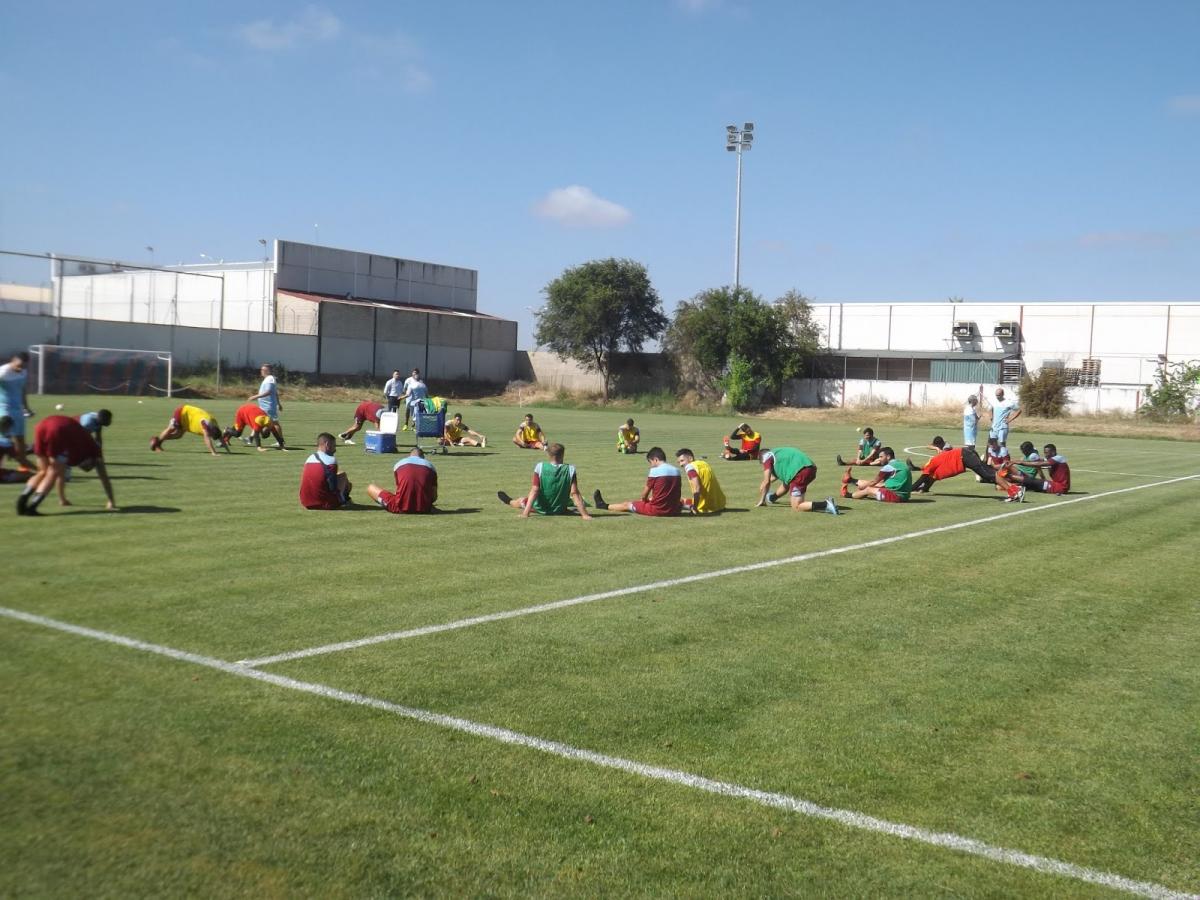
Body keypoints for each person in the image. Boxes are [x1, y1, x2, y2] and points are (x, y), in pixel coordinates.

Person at [17, 414, 116, 515]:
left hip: (43, 424)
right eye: (88, 466)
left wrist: (62, 499)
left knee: (43, 471)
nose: (86, 468)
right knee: (52, 472)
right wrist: (111, 501)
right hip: (59, 430)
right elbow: (104, 478)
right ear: (91, 460)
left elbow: (62, 475)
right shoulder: (95, 451)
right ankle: (32, 508)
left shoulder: (77, 451)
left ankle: (22, 501)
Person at [498, 442, 592, 519]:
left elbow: (535, 490)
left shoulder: (540, 467)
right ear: (562, 454)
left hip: (541, 508)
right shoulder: (570, 469)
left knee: (520, 501)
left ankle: (508, 501)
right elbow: (574, 493)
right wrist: (585, 515)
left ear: (549, 454)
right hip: (560, 509)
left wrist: (525, 513)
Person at [592, 447, 682, 516]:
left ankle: (603, 505)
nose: (651, 466)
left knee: (627, 504)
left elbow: (644, 495)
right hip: (674, 509)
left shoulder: (655, 471)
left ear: (655, 460)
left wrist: (644, 500)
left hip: (657, 510)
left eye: (651, 463)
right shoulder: (677, 471)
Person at [908, 443, 1019, 499]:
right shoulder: (932, 468)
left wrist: (909, 489)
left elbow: (922, 478)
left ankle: (1013, 492)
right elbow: (927, 480)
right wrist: (923, 489)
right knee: (988, 473)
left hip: (964, 456)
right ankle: (1015, 489)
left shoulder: (931, 465)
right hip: (965, 454)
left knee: (988, 475)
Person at [756, 447, 839, 514]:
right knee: (787, 482)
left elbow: (766, 481)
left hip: (800, 472)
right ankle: (772, 497)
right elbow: (780, 480)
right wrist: (768, 486)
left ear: (761, 457)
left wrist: (762, 500)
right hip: (810, 468)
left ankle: (826, 504)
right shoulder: (777, 454)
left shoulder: (766, 457)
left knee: (796, 506)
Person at [367, 447, 438, 514]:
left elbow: (398, 490)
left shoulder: (399, 464)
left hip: (400, 507)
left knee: (370, 488)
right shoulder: (431, 467)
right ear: (423, 457)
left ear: (409, 455)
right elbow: (434, 497)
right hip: (425, 508)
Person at [299, 433, 352, 509]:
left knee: (342, 477)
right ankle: (344, 500)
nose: (335, 450)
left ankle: (345, 498)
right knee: (343, 476)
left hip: (306, 502)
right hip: (325, 503)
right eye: (334, 446)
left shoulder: (309, 458)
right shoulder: (331, 461)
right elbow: (332, 487)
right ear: (327, 444)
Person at [150, 404, 227, 456]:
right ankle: (157, 444)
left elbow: (220, 437)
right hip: (182, 412)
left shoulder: (215, 425)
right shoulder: (205, 423)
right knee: (171, 428)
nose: (210, 436)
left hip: (188, 420)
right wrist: (213, 453)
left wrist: (228, 450)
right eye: (211, 435)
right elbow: (206, 438)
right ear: (210, 431)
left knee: (178, 435)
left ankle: (157, 440)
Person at [841, 447, 912, 503]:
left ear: (888, 457)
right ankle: (850, 480)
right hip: (903, 495)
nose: (879, 459)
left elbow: (873, 482)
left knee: (868, 489)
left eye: (881, 457)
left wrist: (864, 488)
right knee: (876, 485)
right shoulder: (902, 464)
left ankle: (848, 495)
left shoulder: (888, 467)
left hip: (897, 497)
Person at [0, 351, 33, 469]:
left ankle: (23, 464)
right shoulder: (3, 372)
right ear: (12, 361)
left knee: (20, 440)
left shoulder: (23, 372)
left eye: (23, 366)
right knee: (5, 439)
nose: (20, 368)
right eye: (18, 365)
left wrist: (26, 407)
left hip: (18, 410)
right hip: (4, 409)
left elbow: (22, 390)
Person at [676, 448, 725, 515]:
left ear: (690, 458)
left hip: (707, 507)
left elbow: (697, 488)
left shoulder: (689, 467)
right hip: (720, 504)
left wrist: (695, 508)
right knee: (683, 500)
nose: (680, 464)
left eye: (682, 461)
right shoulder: (704, 463)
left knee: (675, 502)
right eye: (679, 462)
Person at [248, 363, 284, 445]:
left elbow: (269, 392)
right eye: (261, 370)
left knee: (274, 423)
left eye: (263, 370)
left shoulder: (270, 379)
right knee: (259, 420)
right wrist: (279, 404)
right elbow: (275, 393)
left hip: (269, 406)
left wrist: (255, 396)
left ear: (268, 371)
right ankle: (250, 438)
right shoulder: (267, 379)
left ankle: (281, 441)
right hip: (265, 406)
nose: (261, 371)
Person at [0, 415, 32, 483]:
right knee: (31, 476)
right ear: (8, 427)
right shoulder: (5, 443)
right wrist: (41, 470)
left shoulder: (5, 441)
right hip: (1, 475)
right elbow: (22, 461)